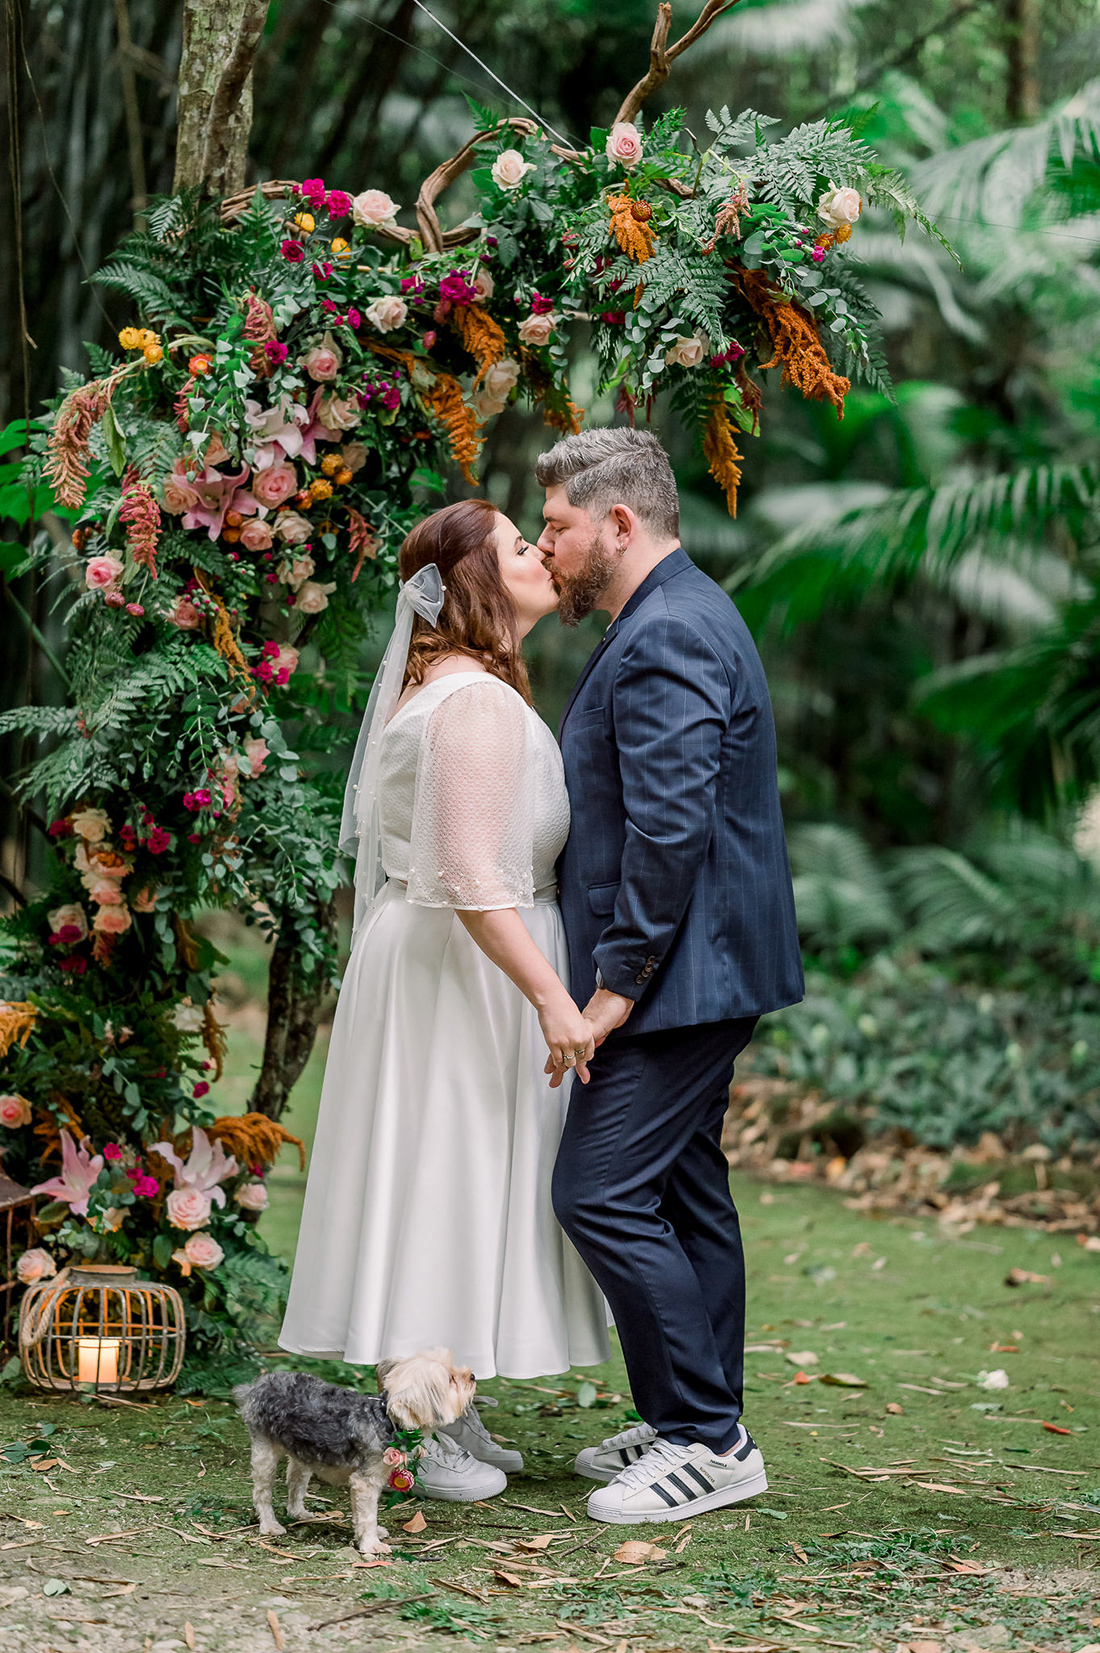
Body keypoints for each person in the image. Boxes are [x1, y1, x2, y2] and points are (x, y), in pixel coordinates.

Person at [279, 498, 610, 1502]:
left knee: (447, 1170)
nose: (541, 554)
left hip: (447, 961)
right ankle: (413, 1426)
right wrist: (554, 997)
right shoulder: (468, 701)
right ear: (473, 581)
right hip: (466, 963)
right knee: (444, 1170)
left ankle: (447, 1403)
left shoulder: (450, 688)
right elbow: (469, 873)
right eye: (520, 546)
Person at [536, 427, 804, 1525]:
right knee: (684, 1193)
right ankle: (694, 1419)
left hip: (677, 973)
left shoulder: (668, 634)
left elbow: (668, 829)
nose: (545, 546)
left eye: (554, 526)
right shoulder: (674, 612)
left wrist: (612, 986)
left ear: (616, 523)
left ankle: (707, 1437)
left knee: (595, 1192)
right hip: (698, 970)